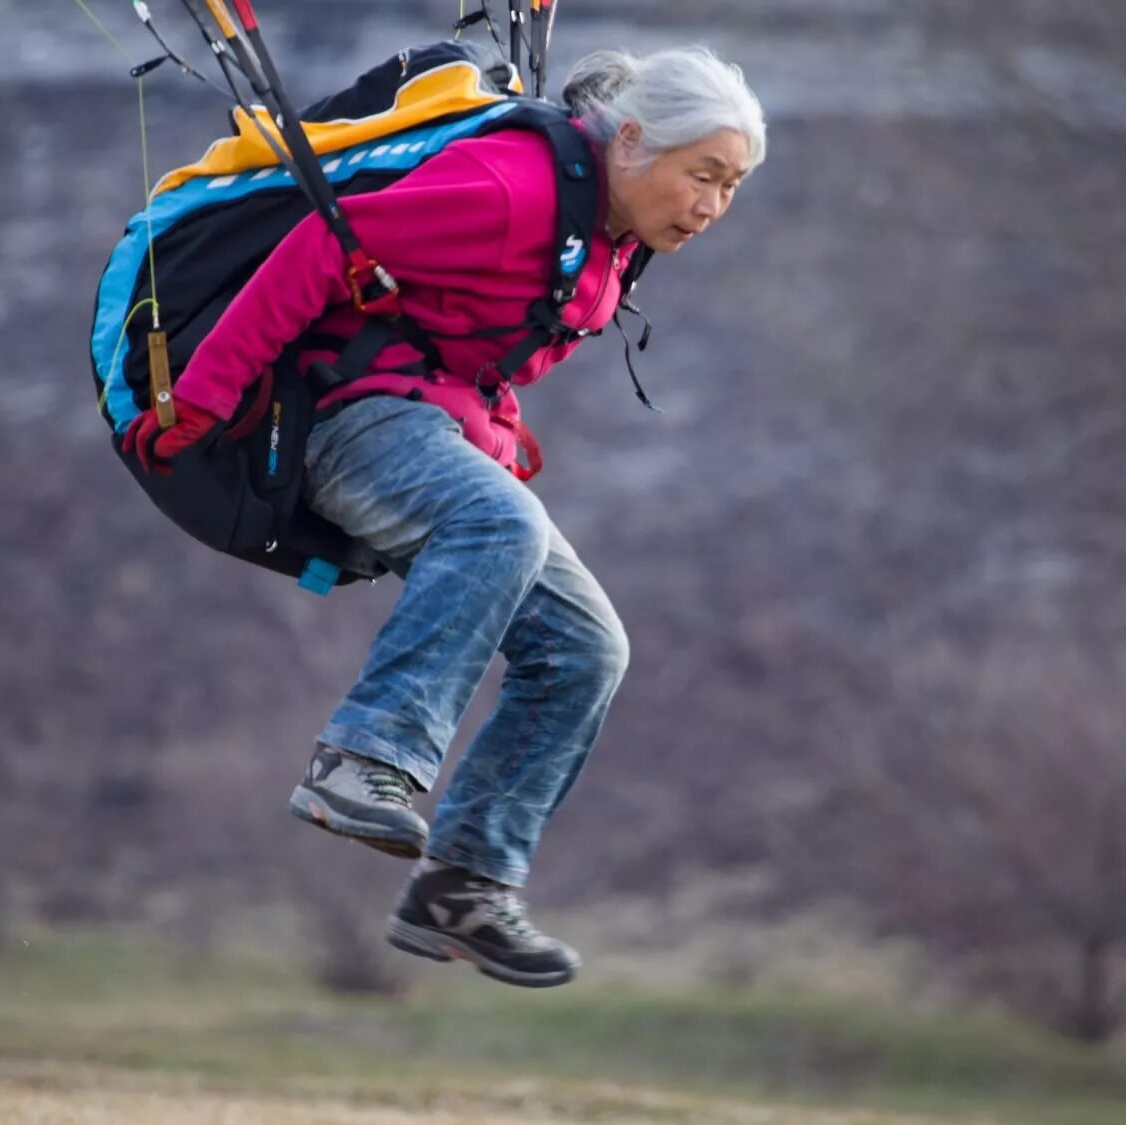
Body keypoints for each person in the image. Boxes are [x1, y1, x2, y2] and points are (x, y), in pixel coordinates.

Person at [126, 46, 765, 987]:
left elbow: (472, 343)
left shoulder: (613, 234)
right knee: (498, 527)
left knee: (586, 648)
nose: (712, 205)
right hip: (335, 416)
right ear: (631, 141)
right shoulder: (508, 188)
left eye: (732, 185)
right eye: (701, 175)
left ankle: (464, 883)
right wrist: (201, 405)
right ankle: (362, 759)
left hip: (425, 425)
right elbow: (319, 247)